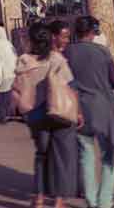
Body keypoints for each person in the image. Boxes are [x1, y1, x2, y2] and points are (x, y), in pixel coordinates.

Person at [15, 20, 76, 207]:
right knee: (59, 157)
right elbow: (69, 85)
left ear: (31, 40)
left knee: (41, 155)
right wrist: (78, 112)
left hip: (35, 116)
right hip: (57, 113)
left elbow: (16, 87)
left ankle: (39, 197)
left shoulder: (24, 60)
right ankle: (58, 200)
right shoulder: (56, 59)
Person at [66, 15, 114, 208]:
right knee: (109, 155)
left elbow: (66, 82)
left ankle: (91, 200)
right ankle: (105, 201)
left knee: (86, 155)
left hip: (79, 110)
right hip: (103, 109)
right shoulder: (103, 52)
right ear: (92, 33)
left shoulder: (68, 52)